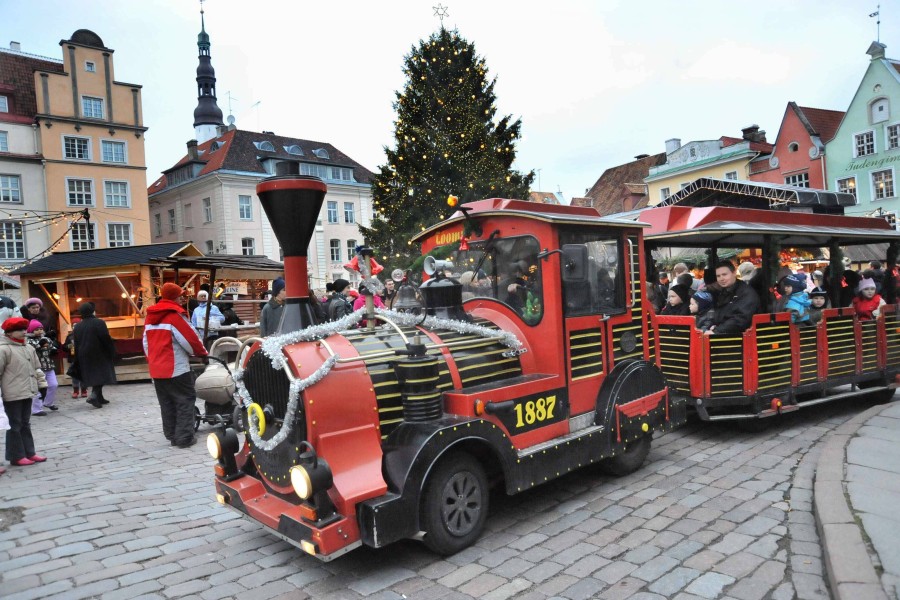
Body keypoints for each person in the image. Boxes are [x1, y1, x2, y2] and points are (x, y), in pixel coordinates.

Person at [143, 283, 209, 449]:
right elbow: (190, 339)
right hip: (176, 368)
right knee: (184, 400)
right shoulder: (174, 316)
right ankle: (184, 437)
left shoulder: (150, 318)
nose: (182, 298)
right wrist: (202, 353)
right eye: (180, 295)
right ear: (174, 297)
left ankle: (172, 434)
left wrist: (152, 360)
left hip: (157, 369)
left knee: (166, 403)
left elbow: (145, 343)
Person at [1, 317, 48, 467]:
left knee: (25, 423)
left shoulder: (29, 348)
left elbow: (36, 368)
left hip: (27, 390)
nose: (23, 332)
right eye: (19, 330)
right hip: (11, 393)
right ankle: (16, 456)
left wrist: (42, 385)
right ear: (9, 333)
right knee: (15, 424)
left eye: (24, 329)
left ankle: (30, 452)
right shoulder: (3, 349)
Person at [73, 302, 117, 409]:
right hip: (99, 353)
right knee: (102, 374)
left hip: (84, 354)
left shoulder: (78, 326)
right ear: (92, 311)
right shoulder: (99, 322)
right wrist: (111, 350)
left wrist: (77, 356)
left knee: (95, 375)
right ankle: (93, 396)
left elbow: (76, 342)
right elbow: (105, 337)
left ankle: (100, 397)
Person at [705, 260, 760, 336]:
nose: (721, 278)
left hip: (741, 339)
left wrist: (718, 330)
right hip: (726, 336)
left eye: (724, 274)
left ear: (734, 273)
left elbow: (740, 319)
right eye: (718, 276)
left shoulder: (746, 293)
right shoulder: (723, 292)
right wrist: (714, 326)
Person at [27, 320, 58, 415]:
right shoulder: (29, 340)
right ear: (31, 330)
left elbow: (52, 347)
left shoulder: (46, 339)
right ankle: (37, 409)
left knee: (53, 384)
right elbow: (30, 350)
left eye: (41, 329)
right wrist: (39, 345)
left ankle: (48, 402)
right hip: (37, 368)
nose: (40, 331)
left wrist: (54, 350)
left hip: (49, 366)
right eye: (37, 329)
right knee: (39, 388)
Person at [63, 328, 87, 399]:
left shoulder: (84, 335)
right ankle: (75, 391)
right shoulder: (70, 336)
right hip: (74, 358)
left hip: (83, 357)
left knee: (84, 374)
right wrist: (69, 346)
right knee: (75, 375)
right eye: (74, 326)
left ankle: (84, 390)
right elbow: (64, 347)